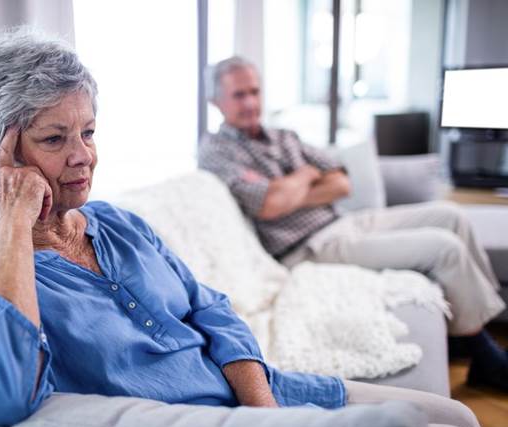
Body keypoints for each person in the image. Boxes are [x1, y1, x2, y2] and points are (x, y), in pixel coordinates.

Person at [0, 28, 506, 427]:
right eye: (54, 139)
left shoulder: (115, 223)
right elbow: (1, 393)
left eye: (90, 132)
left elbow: (213, 310)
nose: (83, 157)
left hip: (258, 397)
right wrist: (14, 221)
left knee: (457, 417)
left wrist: (264, 410)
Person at [198, 56, 508, 393]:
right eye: (239, 95)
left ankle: (469, 328)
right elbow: (271, 204)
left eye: (254, 92)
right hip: (309, 246)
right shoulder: (217, 149)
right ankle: (484, 355)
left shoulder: (283, 135)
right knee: (444, 249)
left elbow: (342, 183)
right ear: (216, 102)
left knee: (451, 216)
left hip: (344, 222)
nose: (251, 102)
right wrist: (306, 174)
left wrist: (289, 189)